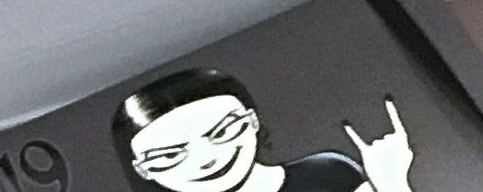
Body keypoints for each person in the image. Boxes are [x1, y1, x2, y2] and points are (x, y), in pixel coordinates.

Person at [114, 67, 414, 192]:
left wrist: (391, 183)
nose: (206, 159)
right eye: (170, 156)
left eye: (223, 132)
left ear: (253, 122)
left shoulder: (328, 174)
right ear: (142, 170)